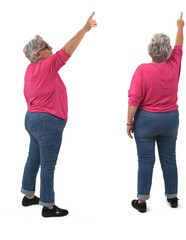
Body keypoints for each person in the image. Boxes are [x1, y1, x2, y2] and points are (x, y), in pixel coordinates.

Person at [21, 12, 97, 217]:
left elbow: (27, 95)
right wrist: (84, 29)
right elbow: (67, 50)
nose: (51, 49)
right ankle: (48, 206)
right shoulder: (47, 65)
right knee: (48, 165)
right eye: (47, 47)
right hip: (47, 123)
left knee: (33, 158)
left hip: (32, 119)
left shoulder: (30, 69)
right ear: (38, 54)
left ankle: (28, 196)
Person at [127, 13, 185, 213]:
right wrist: (180, 26)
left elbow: (134, 99)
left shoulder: (142, 70)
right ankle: (173, 196)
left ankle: (142, 201)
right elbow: (179, 45)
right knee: (169, 159)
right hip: (170, 118)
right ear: (168, 52)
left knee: (145, 161)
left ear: (150, 51)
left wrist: (128, 122)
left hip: (146, 121)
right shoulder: (174, 64)